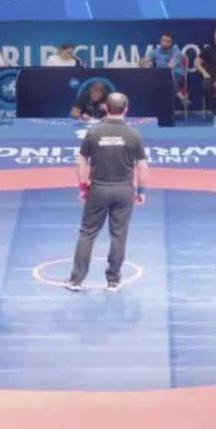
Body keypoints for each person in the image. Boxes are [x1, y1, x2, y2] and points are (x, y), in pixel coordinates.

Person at [67, 92, 150, 292]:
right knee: (119, 235)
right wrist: (141, 190)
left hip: (98, 189)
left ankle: (76, 280)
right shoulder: (134, 134)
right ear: (126, 109)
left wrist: (83, 187)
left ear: (105, 108)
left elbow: (80, 161)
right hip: (123, 190)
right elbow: (142, 166)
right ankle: (113, 280)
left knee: (87, 233)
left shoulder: (94, 132)